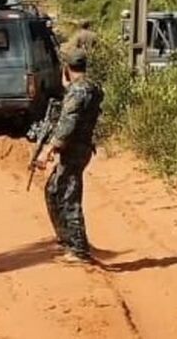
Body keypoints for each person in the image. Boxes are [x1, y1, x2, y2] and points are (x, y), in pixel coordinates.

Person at [38, 50, 104, 264]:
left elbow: (68, 123)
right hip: (82, 147)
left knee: (68, 196)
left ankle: (78, 249)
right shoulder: (92, 88)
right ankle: (67, 239)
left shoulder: (77, 91)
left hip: (74, 149)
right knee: (54, 189)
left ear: (66, 68)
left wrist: (50, 149)